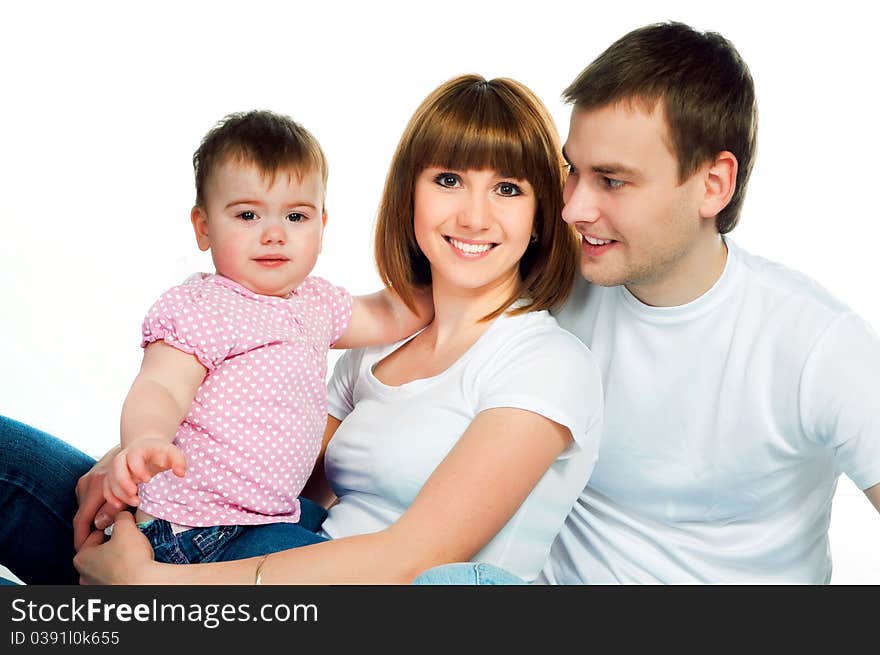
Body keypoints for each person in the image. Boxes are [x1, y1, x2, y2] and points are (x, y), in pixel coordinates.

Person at [2, 74, 603, 585]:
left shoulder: (545, 363)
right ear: (410, 195)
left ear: (541, 213)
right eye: (448, 180)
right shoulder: (370, 347)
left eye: (507, 188)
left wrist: (156, 585)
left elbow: (411, 559)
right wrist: (119, 478)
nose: (474, 215)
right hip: (243, 547)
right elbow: (254, 453)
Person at [418, 21, 880, 586]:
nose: (573, 210)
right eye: (573, 171)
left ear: (714, 183)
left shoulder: (817, 344)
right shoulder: (552, 282)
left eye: (612, 181)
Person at [95, 109, 439, 566]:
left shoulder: (315, 304)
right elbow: (160, 385)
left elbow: (388, 313)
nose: (274, 234)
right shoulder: (204, 307)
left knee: (334, 556)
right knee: (333, 575)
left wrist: (454, 274)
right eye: (248, 215)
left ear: (322, 226)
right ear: (203, 227)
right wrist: (146, 440)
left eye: (296, 216)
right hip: (197, 527)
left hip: (266, 517)